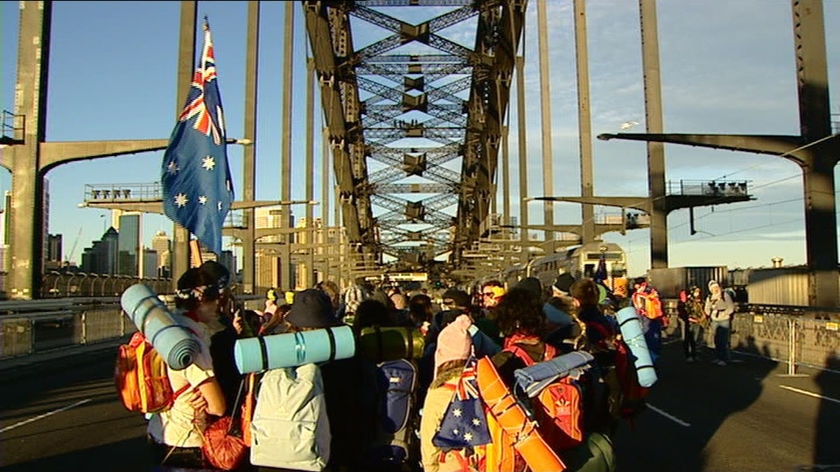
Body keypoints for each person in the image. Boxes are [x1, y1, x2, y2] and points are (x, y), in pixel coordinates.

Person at [147, 268, 227, 469]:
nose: (218, 304)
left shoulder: (164, 331)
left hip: (159, 432)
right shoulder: (191, 344)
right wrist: (207, 401)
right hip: (186, 441)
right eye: (215, 297)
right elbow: (218, 407)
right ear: (201, 299)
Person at [631, 276, 665, 363]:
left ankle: (649, 362)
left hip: (645, 320)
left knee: (647, 341)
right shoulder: (653, 292)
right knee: (654, 342)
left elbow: (634, 308)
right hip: (653, 319)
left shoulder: (638, 294)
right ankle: (654, 362)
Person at [705, 280, 735, 366]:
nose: (715, 289)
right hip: (714, 320)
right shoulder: (710, 298)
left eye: (716, 287)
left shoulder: (725, 295)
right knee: (717, 340)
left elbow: (731, 307)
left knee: (723, 340)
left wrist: (725, 313)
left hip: (724, 320)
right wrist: (709, 313)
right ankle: (718, 357)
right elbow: (707, 308)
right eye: (713, 288)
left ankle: (724, 359)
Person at [679, 286, 707, 362]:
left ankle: (694, 354)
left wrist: (702, 318)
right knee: (689, 339)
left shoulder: (700, 301)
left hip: (698, 321)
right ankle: (688, 355)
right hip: (690, 321)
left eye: (698, 292)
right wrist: (690, 318)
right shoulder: (688, 301)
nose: (697, 293)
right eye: (696, 292)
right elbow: (686, 311)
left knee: (695, 339)